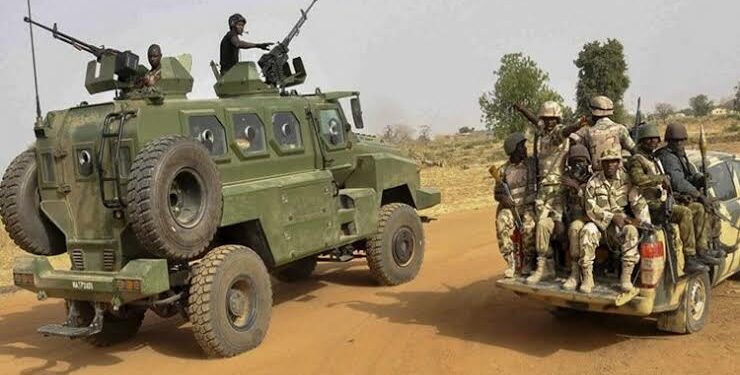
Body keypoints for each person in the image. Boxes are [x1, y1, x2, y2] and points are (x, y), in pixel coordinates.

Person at [628, 124, 710, 273]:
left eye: (655, 139)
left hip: (663, 201)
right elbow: (637, 178)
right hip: (650, 205)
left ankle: (702, 251)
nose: (653, 142)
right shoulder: (637, 159)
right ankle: (690, 258)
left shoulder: (653, 158)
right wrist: (660, 179)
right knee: (685, 213)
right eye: (649, 139)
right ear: (641, 141)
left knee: (697, 208)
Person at [527, 101, 585, 284]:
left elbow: (565, 131)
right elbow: (535, 120)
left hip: (557, 187)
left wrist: (577, 125)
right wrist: (522, 110)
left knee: (558, 227)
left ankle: (568, 265)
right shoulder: (542, 131)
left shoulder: (558, 134)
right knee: (540, 226)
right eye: (546, 119)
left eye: (552, 119)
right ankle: (546, 266)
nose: (549, 122)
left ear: (558, 119)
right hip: (543, 188)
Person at [580, 148, 650, 293]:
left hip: (621, 226)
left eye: (613, 161)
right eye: (606, 162)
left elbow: (637, 200)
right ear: (602, 164)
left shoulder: (627, 179)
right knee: (587, 230)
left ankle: (626, 277)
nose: (610, 165)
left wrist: (643, 221)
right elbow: (590, 208)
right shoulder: (593, 182)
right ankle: (587, 277)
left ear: (618, 163)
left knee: (631, 231)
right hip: (600, 226)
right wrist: (611, 217)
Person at [656, 123, 725, 262]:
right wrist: (698, 195)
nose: (680, 144)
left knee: (713, 203)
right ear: (669, 142)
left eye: (682, 140)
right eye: (676, 141)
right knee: (700, 207)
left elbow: (689, 175)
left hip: (683, 196)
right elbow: (678, 182)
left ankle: (714, 243)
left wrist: (700, 178)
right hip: (674, 198)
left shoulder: (679, 154)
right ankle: (702, 249)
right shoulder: (668, 157)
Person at [494, 132, 537, 278]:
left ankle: (528, 262)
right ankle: (510, 262)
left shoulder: (531, 164)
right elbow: (497, 193)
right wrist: (503, 199)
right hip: (512, 208)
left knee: (529, 226)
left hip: (529, 207)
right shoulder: (503, 170)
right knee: (501, 221)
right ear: (513, 149)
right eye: (522, 146)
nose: (525, 149)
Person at [558, 144, 594, 290]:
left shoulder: (593, 179)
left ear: (587, 163)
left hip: (590, 220)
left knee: (576, 227)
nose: (578, 165)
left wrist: (578, 188)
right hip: (571, 218)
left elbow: (593, 206)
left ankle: (583, 275)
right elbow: (559, 202)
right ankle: (574, 272)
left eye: (581, 161)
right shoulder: (566, 181)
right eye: (574, 162)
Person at [572, 95, 635, 172]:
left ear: (593, 112)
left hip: (597, 176)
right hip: (618, 176)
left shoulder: (587, 132)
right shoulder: (621, 129)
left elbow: (573, 142)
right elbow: (634, 150)